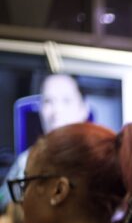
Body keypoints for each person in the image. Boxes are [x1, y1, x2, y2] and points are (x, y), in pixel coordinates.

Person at [0, 74, 90, 210]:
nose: (56, 111)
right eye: (48, 101)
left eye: (66, 101)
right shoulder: (25, 160)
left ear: (83, 109)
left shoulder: (99, 160)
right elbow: (3, 201)